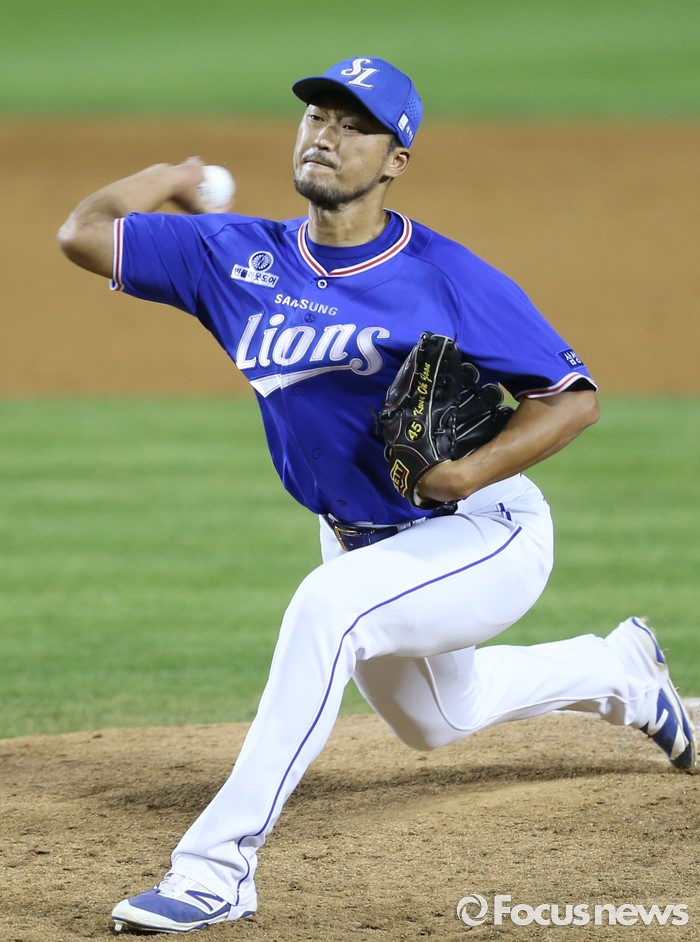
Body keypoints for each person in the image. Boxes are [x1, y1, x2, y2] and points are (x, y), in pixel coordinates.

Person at [57, 56, 696, 935]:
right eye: (318, 116)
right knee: (440, 719)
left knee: (327, 610)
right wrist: (173, 175)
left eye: (355, 125)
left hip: (480, 530)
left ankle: (216, 870)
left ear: (396, 159)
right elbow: (84, 232)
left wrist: (465, 473)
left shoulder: (446, 275)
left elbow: (572, 398)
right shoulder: (233, 256)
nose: (327, 135)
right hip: (360, 538)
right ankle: (620, 671)